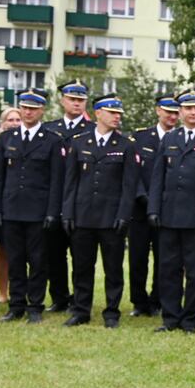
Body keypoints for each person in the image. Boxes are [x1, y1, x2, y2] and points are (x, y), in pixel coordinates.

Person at [147, 89, 195, 334]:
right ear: (180, 112)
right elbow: (158, 177)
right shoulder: (170, 138)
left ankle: (190, 319)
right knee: (168, 269)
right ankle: (170, 318)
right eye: (188, 108)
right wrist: (153, 208)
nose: (193, 112)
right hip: (169, 215)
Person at [61, 94, 139, 328]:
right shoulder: (79, 142)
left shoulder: (126, 145)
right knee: (81, 267)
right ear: (98, 113)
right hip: (83, 215)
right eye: (112, 113)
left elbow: (129, 186)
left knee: (113, 268)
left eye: (119, 114)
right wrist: (68, 213)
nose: (117, 117)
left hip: (111, 217)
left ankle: (112, 312)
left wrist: (124, 215)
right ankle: (81, 310)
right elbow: (70, 182)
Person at [0, 89, 64, 324]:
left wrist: (52, 212)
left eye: (33, 108)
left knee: (38, 261)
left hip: (38, 211)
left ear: (42, 111)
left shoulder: (52, 140)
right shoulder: (7, 138)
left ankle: (35, 306)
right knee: (15, 260)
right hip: (11, 208)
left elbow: (56, 180)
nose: (28, 112)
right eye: (24, 107)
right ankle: (16, 305)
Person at [43, 80, 94, 312]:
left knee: (81, 256)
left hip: (82, 200)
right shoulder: (50, 128)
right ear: (62, 100)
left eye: (81, 100)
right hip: (53, 198)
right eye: (72, 99)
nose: (76, 103)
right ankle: (59, 297)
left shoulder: (93, 130)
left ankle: (80, 299)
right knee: (54, 253)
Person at [129, 94, 180, 318]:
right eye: (168, 112)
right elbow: (132, 172)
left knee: (165, 259)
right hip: (140, 208)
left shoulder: (181, 138)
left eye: (176, 113)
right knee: (137, 258)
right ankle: (139, 302)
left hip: (167, 209)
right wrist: (143, 197)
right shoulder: (140, 137)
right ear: (158, 110)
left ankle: (158, 299)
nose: (172, 116)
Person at [0, 106, 21, 305]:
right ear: (2, 123)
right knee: (2, 251)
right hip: (1, 205)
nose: (15, 123)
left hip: (22, 205)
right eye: (10, 120)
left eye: (18, 119)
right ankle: (3, 293)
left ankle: (21, 290)